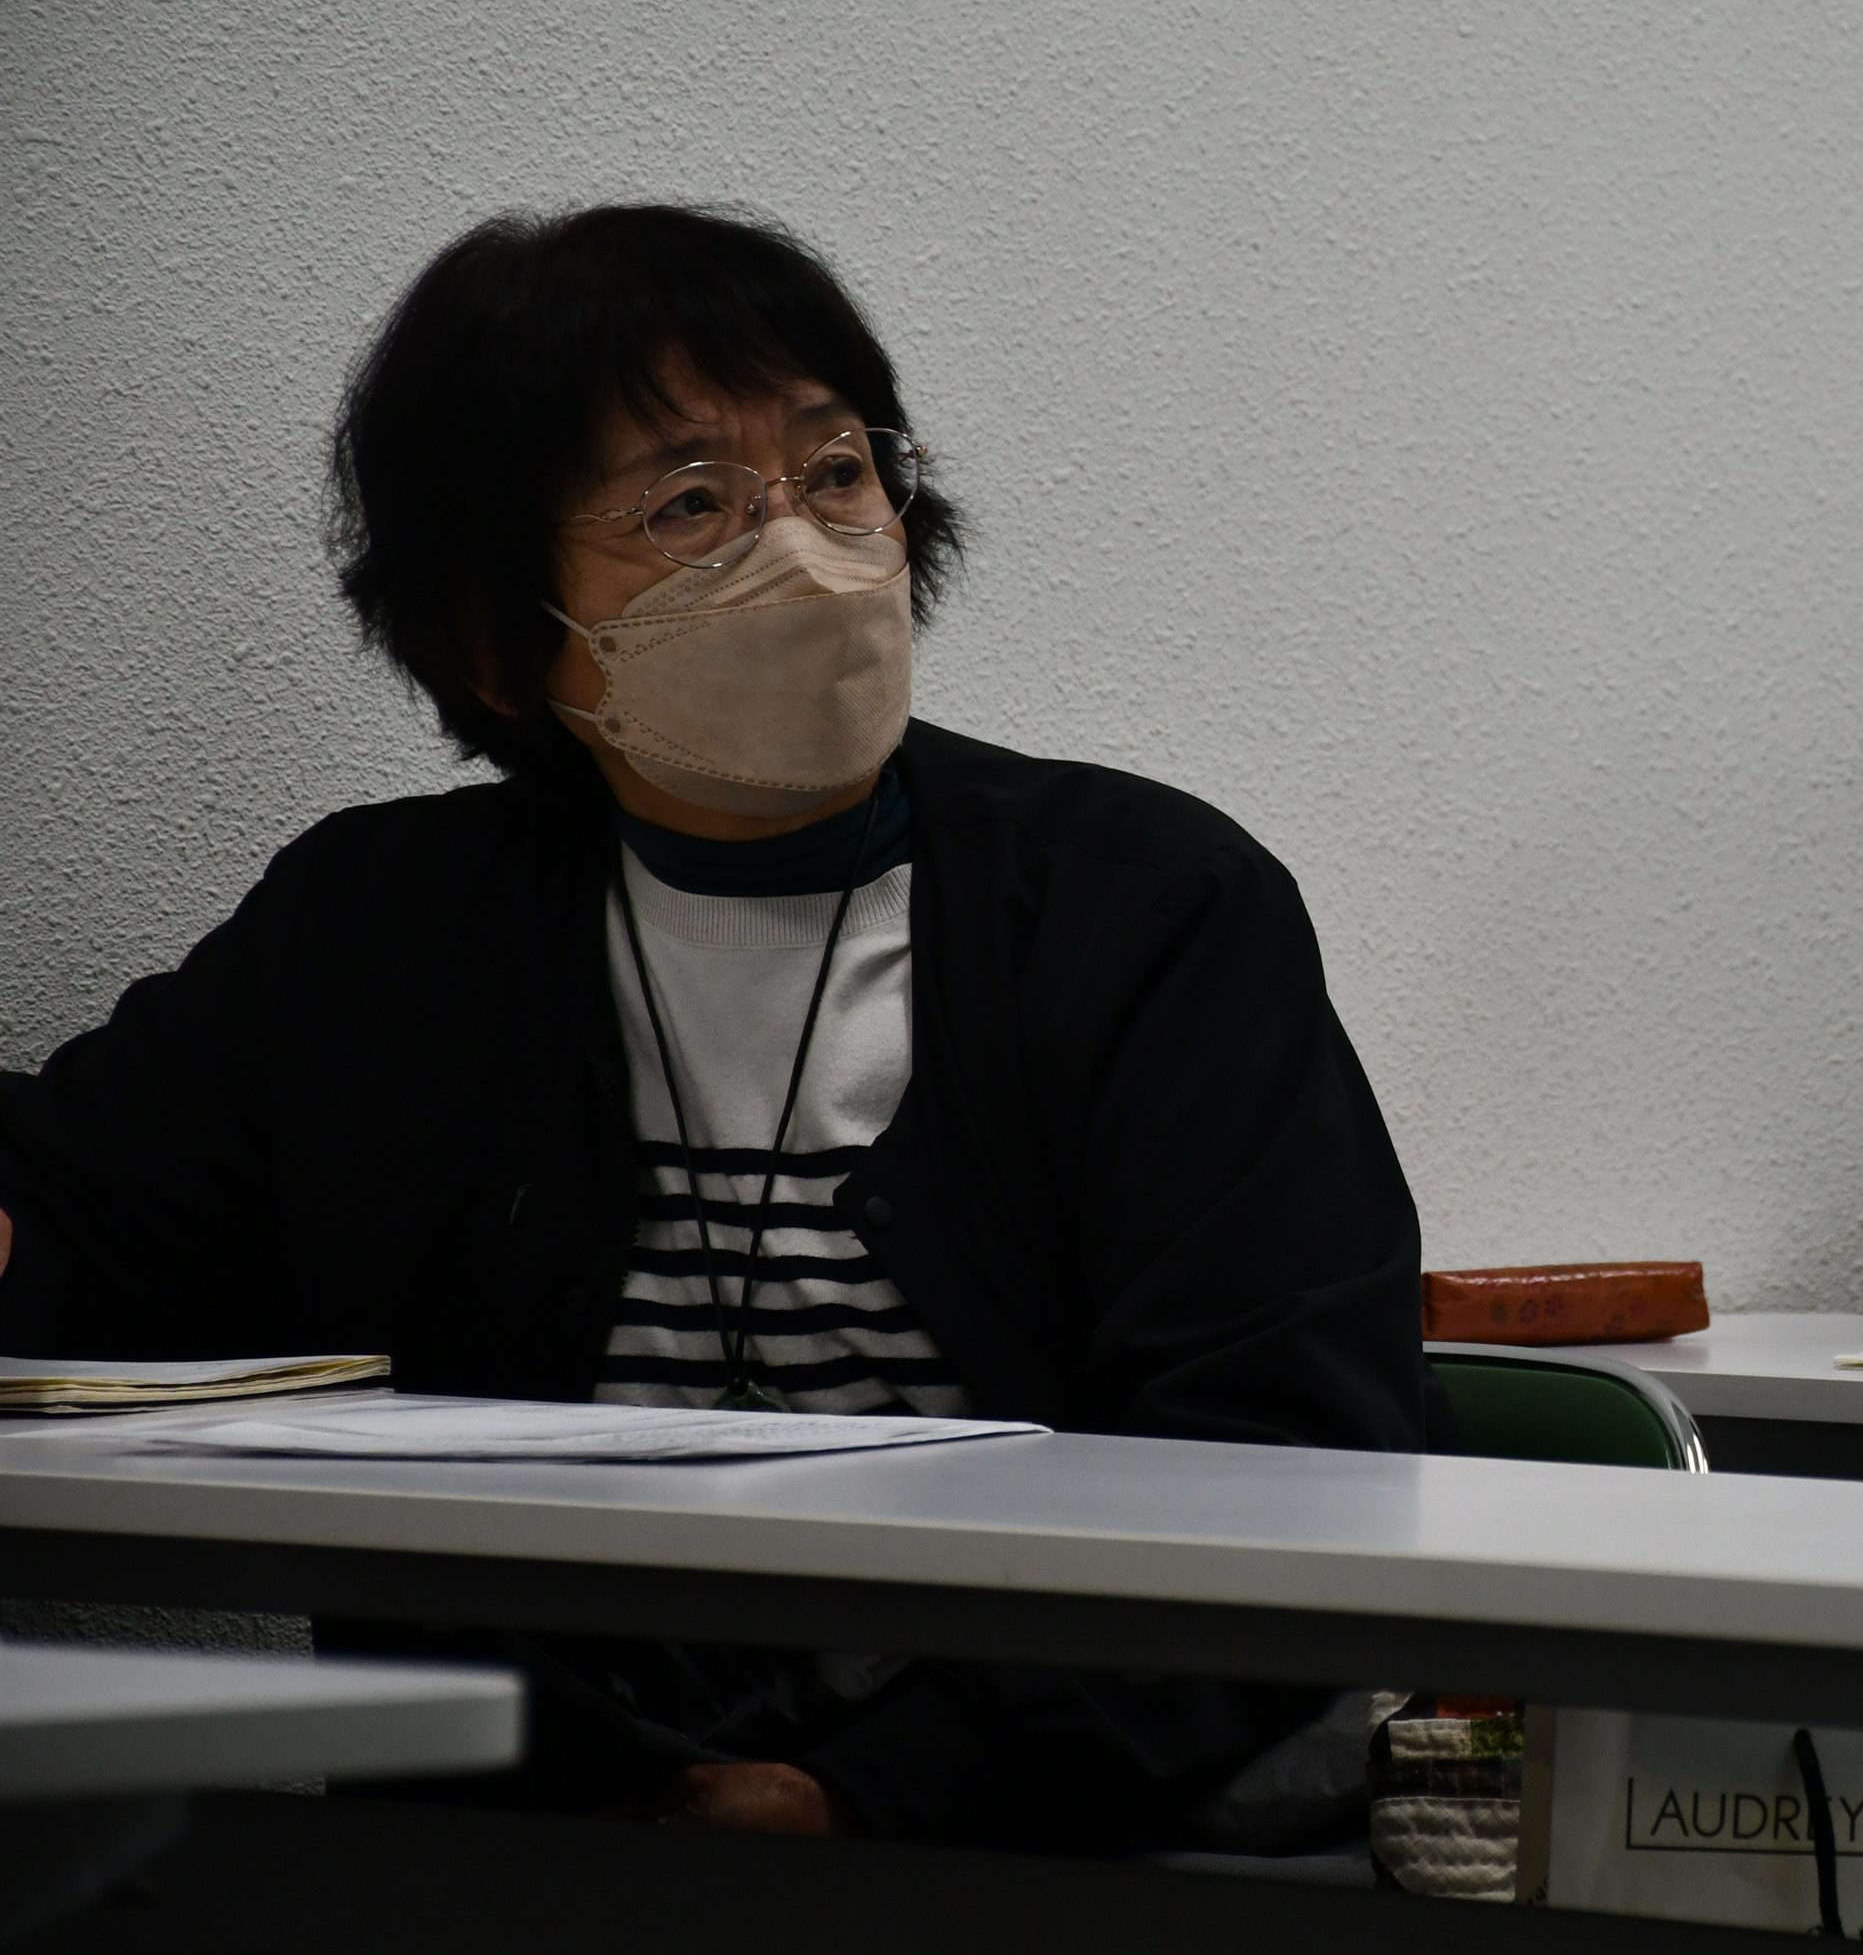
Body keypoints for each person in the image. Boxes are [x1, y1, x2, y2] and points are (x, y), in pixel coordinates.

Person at [0, 204, 1428, 1846]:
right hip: (536, 1852)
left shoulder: (1147, 913)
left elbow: (1288, 1448)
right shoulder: (382, 930)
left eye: (835, 472)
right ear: (500, 638)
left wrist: (862, 1799)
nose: (802, 549)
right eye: (692, 503)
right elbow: (88, 1212)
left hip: (1037, 1839)